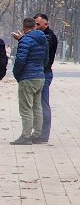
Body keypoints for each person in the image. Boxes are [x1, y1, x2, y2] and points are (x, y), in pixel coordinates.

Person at [12, 17, 49, 144]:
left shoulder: (25, 40)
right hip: (40, 76)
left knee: (26, 107)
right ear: (34, 26)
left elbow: (20, 60)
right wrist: (40, 69)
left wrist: (17, 74)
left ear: (24, 27)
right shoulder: (43, 39)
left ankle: (26, 136)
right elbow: (46, 59)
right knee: (37, 107)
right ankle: (37, 135)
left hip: (27, 77)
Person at [36, 12, 58, 143]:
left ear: (46, 23)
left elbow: (41, 48)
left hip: (45, 72)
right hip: (37, 73)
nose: (36, 26)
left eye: (39, 24)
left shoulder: (50, 37)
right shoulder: (38, 35)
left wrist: (24, 39)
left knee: (43, 104)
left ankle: (44, 135)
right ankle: (37, 131)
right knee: (36, 105)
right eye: (35, 24)